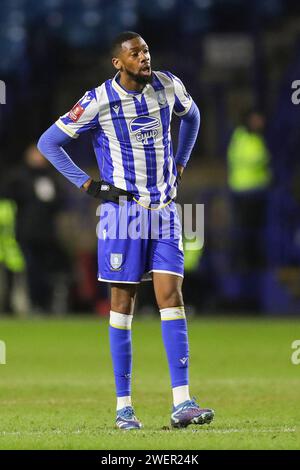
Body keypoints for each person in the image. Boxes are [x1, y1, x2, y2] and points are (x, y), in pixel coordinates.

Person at [38, 31, 214, 430]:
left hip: (165, 211)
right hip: (124, 215)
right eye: (135, 53)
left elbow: (194, 116)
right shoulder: (99, 100)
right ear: (118, 62)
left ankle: (183, 402)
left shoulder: (168, 85)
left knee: (172, 296)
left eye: (147, 50)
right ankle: (123, 408)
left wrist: (181, 164)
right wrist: (88, 185)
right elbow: (49, 142)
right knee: (123, 305)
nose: (144, 57)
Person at [4, 144, 69, 314]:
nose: (39, 158)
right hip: (25, 232)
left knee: (46, 271)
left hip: (47, 233)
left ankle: (44, 304)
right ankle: (27, 304)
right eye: (36, 154)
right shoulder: (18, 176)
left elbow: (61, 202)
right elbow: (11, 198)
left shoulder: (51, 177)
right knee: (29, 270)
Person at [227, 110, 272, 272]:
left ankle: (254, 261)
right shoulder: (242, 137)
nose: (260, 123)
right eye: (257, 119)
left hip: (258, 192)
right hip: (244, 192)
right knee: (245, 231)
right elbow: (252, 158)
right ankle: (245, 262)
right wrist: (265, 158)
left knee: (256, 231)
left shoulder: (258, 137)